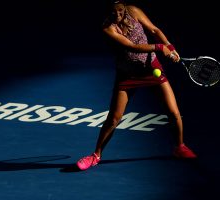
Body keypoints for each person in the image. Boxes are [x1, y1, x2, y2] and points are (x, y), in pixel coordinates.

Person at [76, 0, 197, 171]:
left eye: (120, 11)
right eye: (113, 12)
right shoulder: (107, 28)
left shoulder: (134, 11)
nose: (117, 15)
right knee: (114, 119)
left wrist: (170, 47)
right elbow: (132, 47)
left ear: (124, 7)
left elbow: (155, 30)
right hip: (128, 75)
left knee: (173, 112)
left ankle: (180, 147)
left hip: (151, 69)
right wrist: (160, 47)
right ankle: (95, 155)